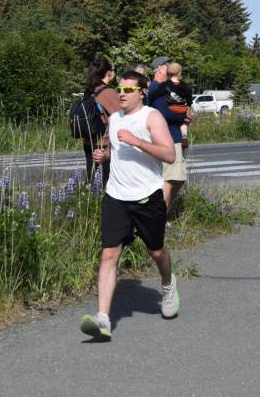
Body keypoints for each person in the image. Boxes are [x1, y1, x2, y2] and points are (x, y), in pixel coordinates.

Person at [80, 70, 179, 339]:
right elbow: (115, 149)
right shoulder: (113, 119)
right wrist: (104, 154)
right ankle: (103, 318)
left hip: (147, 196)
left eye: (127, 91)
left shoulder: (152, 117)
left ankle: (168, 285)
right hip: (116, 196)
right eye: (119, 90)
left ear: (142, 92)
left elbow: (169, 154)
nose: (121, 95)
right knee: (109, 254)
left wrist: (137, 141)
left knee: (156, 252)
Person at [148, 57, 190, 209]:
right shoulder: (156, 88)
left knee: (178, 179)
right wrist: (183, 116)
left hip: (174, 137)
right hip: (168, 139)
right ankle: (160, 220)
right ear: (159, 68)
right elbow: (163, 114)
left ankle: (164, 215)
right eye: (169, 66)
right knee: (170, 180)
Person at [82, 60, 121, 185]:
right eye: (113, 70)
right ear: (108, 73)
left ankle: (88, 201)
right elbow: (120, 117)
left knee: (91, 180)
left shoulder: (90, 90)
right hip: (104, 143)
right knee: (107, 182)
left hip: (89, 140)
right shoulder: (109, 92)